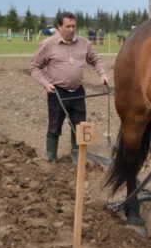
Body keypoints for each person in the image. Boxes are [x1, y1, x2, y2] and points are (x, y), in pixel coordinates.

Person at [30, 12, 109, 163]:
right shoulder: (48, 44)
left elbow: (96, 59)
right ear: (59, 27)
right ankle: (52, 158)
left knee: (79, 126)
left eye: (74, 26)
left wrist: (102, 74)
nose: (71, 29)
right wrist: (45, 83)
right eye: (67, 26)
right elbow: (34, 67)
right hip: (57, 93)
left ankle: (77, 155)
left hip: (78, 92)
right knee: (55, 127)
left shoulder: (84, 43)